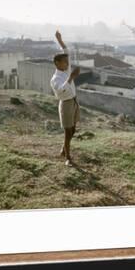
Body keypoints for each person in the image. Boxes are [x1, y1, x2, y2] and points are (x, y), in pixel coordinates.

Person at [50, 30, 81, 167]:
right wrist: (71, 77)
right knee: (68, 131)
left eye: (67, 62)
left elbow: (65, 50)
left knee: (73, 129)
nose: (67, 64)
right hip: (66, 104)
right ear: (57, 63)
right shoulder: (55, 78)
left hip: (73, 101)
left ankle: (64, 149)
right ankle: (67, 156)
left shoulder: (65, 70)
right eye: (64, 62)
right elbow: (61, 90)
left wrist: (60, 40)